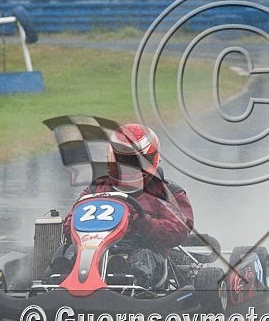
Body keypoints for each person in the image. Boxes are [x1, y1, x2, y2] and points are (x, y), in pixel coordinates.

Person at [56, 124, 194, 289]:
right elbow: (72, 219)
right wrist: (74, 225)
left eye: (133, 162)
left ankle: (124, 282)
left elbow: (180, 229)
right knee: (69, 251)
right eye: (122, 161)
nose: (127, 168)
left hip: (144, 247)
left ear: (150, 159)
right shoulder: (96, 188)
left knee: (140, 259)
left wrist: (146, 223)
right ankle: (60, 279)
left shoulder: (168, 193)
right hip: (95, 248)